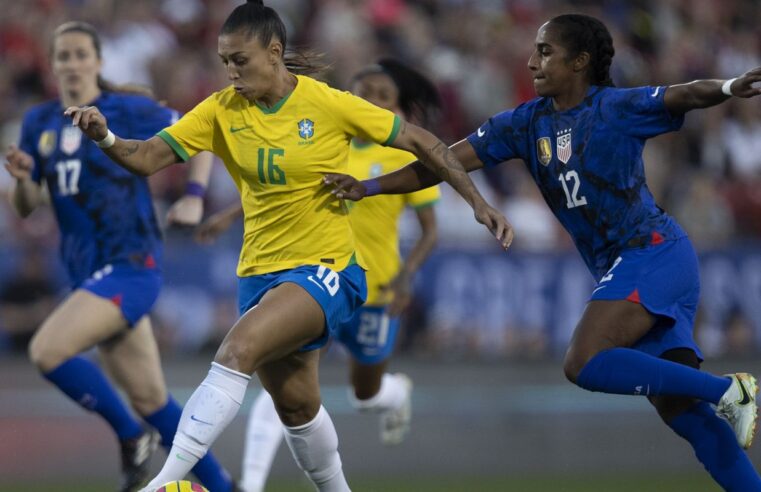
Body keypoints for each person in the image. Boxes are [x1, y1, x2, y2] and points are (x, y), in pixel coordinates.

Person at [62, 2, 510, 491]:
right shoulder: (219, 111)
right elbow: (147, 158)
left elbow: (424, 142)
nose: (231, 72)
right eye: (224, 61)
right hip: (259, 273)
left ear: (274, 53)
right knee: (297, 407)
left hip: (328, 268)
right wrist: (104, 136)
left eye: (241, 60)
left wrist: (476, 201)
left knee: (235, 353)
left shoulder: (328, 103)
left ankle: (163, 483)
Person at [325, 13, 761, 491]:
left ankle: (730, 389)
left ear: (580, 61)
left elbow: (683, 92)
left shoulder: (615, 107)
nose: (532, 61)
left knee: (583, 361)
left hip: (654, 253)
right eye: (534, 50)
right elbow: (440, 163)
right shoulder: (524, 123)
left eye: (546, 52)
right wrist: (369, 187)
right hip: (632, 263)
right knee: (686, 414)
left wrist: (729, 85)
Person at [3, 21, 236, 492]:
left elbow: (203, 132)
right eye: (62, 56)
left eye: (79, 54)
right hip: (89, 273)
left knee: (47, 350)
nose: (71, 64)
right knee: (153, 399)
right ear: (52, 65)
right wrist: (26, 179)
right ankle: (224, 487)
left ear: (98, 61)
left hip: (132, 265)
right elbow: (27, 207)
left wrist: (193, 194)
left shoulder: (126, 109)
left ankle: (131, 438)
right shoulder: (39, 122)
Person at [194, 58, 442, 492]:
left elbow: (430, 231)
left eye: (382, 97)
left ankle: (395, 393)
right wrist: (229, 215)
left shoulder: (399, 154)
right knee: (285, 388)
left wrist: (406, 277)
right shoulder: (328, 137)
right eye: (363, 91)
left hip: (375, 292)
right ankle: (250, 484)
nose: (371, 101)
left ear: (396, 106)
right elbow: (282, 187)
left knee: (364, 397)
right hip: (315, 277)